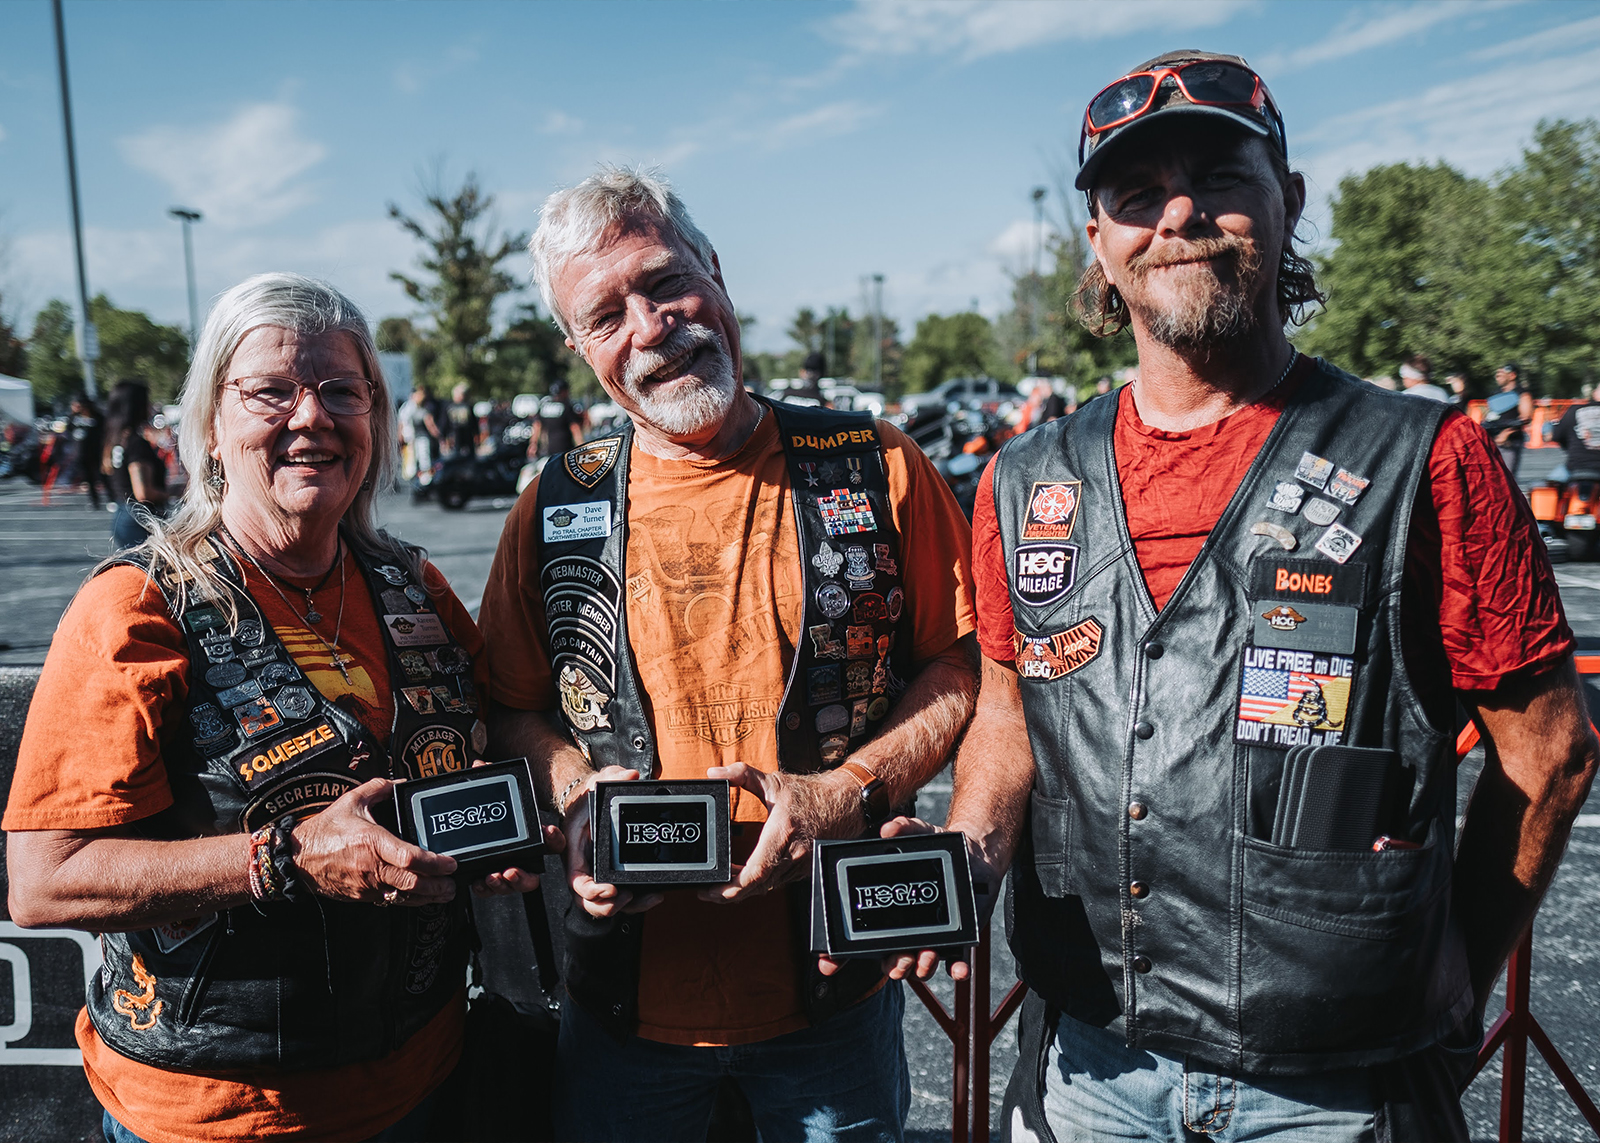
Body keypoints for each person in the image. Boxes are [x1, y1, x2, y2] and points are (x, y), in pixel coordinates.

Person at [896, 50, 1596, 1142]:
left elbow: (1548, 749)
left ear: (1287, 200)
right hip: (1089, 1063)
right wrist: (970, 851)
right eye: (1136, 195)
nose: (1179, 215)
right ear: (1099, 241)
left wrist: (1461, 953)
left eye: (1220, 178)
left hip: (1335, 1083)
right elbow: (1008, 707)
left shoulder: (1425, 455)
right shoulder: (1025, 474)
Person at [478, 166, 979, 1142]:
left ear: (715, 270)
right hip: (623, 1007)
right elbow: (511, 706)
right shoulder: (554, 503)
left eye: (665, 281)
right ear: (578, 348)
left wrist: (856, 787)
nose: (653, 324)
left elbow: (961, 666)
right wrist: (580, 795)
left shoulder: (874, 463)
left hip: (833, 993)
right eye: (606, 313)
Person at [4, 272, 547, 1142]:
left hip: (427, 1076)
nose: (312, 417)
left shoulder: (414, 583)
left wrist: (495, 831)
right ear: (211, 426)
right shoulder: (137, 606)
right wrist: (284, 856)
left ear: (375, 419)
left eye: (343, 390)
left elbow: (483, 748)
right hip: (215, 1114)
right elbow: (45, 880)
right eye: (271, 391)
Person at [102, 380, 169, 548]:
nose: (150, 406)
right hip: (140, 520)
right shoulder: (136, 443)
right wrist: (175, 492)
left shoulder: (115, 439)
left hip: (121, 515)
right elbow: (143, 493)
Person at [1486, 363, 1534, 478]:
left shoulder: (1522, 394)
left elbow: (1525, 418)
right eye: (1497, 374)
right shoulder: (1495, 394)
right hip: (1492, 440)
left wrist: (1505, 434)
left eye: (1502, 374)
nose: (1498, 376)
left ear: (1512, 375)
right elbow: (1491, 416)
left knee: (1506, 477)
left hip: (1510, 442)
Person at [526, 377, 585, 460]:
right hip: (566, 450)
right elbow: (575, 427)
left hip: (550, 451)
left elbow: (537, 426)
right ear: (564, 391)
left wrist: (533, 444)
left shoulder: (544, 406)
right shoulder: (566, 406)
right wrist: (581, 446)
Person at [1550, 383, 1600, 478]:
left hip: (1577, 466)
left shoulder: (1574, 411)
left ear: (1594, 393)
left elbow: (1557, 436)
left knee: (1552, 483)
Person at [398, 384, 442, 488]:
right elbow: (402, 425)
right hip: (413, 440)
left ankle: (423, 485)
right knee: (416, 464)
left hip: (418, 439)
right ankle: (421, 486)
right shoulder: (409, 408)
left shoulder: (419, 408)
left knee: (422, 462)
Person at [69, 393, 107, 508]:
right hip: (81, 453)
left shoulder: (97, 417)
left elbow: (104, 432)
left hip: (96, 452)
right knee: (88, 478)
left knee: (103, 476)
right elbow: (69, 430)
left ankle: (112, 498)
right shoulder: (73, 418)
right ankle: (94, 500)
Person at [444, 380, 478, 457]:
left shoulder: (468, 406)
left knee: (470, 456)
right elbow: (445, 423)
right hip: (455, 436)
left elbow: (473, 422)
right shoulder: (449, 407)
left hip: (467, 435)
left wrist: (476, 435)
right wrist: (445, 438)